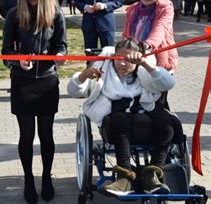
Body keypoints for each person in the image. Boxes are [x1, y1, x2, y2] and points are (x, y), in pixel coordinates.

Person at [67, 38, 177, 195]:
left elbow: (168, 84)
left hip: (145, 111)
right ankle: (124, 176)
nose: (122, 64)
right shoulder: (102, 71)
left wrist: (146, 64)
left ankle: (152, 174)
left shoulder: (144, 72)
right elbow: (74, 91)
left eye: (128, 60)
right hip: (116, 118)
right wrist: (83, 76)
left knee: (167, 123)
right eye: (119, 59)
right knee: (120, 120)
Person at [2, 0, 67, 204]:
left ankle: (46, 177)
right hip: (22, 82)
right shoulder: (14, 14)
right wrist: (17, 60)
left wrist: (60, 56)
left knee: (46, 134)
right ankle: (29, 179)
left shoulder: (56, 13)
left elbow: (61, 45)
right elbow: (5, 51)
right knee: (26, 135)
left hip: (48, 81)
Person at [122, 0, 178, 72]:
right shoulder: (132, 9)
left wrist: (147, 45)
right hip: (135, 56)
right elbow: (126, 34)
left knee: (157, 84)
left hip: (158, 55)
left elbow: (160, 28)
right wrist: (123, 48)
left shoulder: (166, 8)